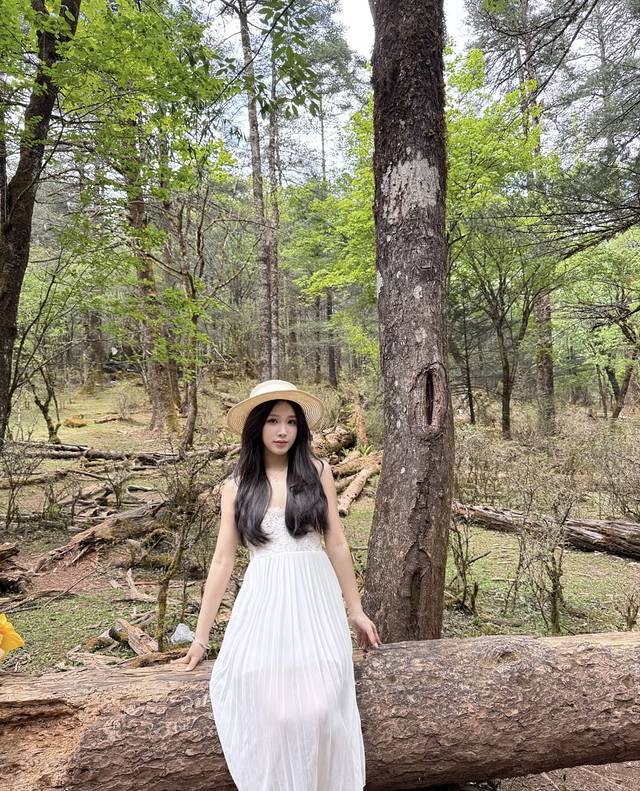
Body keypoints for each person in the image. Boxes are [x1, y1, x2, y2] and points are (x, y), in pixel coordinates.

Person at [170, 379, 380, 790]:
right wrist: (200, 638)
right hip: (264, 602)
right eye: (272, 421)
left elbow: (336, 542)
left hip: (315, 598)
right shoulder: (236, 485)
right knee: (276, 714)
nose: (283, 431)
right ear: (257, 426)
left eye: (290, 422)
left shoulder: (318, 471)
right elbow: (222, 560)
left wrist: (355, 609)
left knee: (322, 709)